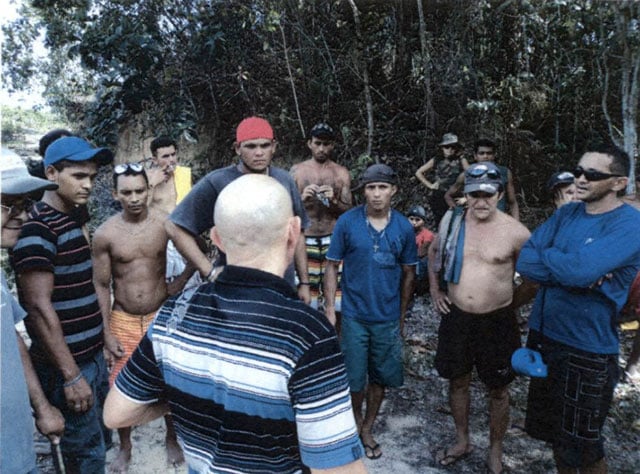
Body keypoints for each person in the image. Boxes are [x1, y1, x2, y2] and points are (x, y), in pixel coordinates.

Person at [103, 174, 366, 474]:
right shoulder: (308, 334)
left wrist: (185, 395)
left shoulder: (174, 314)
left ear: (216, 238)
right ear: (294, 232)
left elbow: (115, 414)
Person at [516, 143, 640, 474]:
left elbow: (578, 271)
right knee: (556, 439)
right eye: (579, 171)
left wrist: (561, 263)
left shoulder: (630, 225)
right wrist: (570, 269)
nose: (580, 179)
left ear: (618, 182)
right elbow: (527, 261)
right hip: (546, 340)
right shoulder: (568, 212)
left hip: (586, 351)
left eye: (592, 174)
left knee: (584, 448)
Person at [12, 136, 118, 473]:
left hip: (89, 359)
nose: (88, 185)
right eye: (78, 176)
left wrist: (100, 341)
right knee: (84, 455)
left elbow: (81, 289)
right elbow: (38, 310)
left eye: (91, 176)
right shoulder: (36, 230)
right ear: (52, 172)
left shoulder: (70, 218)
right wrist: (71, 376)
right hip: (67, 367)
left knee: (98, 441)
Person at [429, 162, 534, 474]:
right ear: (465, 194)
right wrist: (436, 290)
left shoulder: (516, 232)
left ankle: (496, 449)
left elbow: (532, 279)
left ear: (499, 193)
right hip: (457, 317)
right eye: (474, 194)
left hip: (497, 322)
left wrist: (508, 305)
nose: (481, 201)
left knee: (499, 388)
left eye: (488, 194)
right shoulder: (452, 221)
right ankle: (463, 440)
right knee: (457, 381)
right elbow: (433, 252)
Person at [92, 164, 195, 473]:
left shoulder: (165, 224)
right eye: (127, 192)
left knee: (169, 379)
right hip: (123, 317)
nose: (134, 198)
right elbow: (101, 283)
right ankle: (125, 446)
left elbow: (196, 251)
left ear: (149, 191)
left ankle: (172, 438)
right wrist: (106, 331)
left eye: (140, 191)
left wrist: (177, 284)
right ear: (115, 194)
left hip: (160, 313)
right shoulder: (105, 233)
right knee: (121, 383)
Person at [324, 163, 418, 460]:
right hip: (353, 315)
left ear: (394, 191)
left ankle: (367, 427)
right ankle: (351, 426)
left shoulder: (403, 227)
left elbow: (409, 274)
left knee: (380, 377)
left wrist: (401, 317)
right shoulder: (348, 223)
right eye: (370, 188)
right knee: (354, 379)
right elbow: (330, 265)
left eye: (382, 188)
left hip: (386, 318)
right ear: (362, 191)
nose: (376, 194)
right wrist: (329, 307)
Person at [165, 116, 311, 301]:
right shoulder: (218, 181)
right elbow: (174, 226)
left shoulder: (284, 180)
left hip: (281, 288)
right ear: (237, 148)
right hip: (234, 293)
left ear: (274, 147)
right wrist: (208, 271)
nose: (259, 153)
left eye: (264, 146)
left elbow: (298, 233)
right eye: (251, 146)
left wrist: (304, 283)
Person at [1, 150, 65, 474]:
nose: (24, 216)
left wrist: (41, 406)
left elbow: (9, 336)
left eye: (25, 205)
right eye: (9, 204)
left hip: (16, 449)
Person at [290, 122, 352, 318]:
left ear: (333, 145)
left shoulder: (340, 173)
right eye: (317, 143)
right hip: (305, 238)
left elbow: (348, 210)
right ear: (309, 144)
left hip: (332, 236)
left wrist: (333, 200)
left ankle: (335, 340)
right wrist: (301, 199)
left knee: (335, 296)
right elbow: (284, 210)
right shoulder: (297, 171)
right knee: (306, 294)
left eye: (326, 144)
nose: (322, 149)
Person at [444, 138, 519, 220]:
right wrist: (458, 212)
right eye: (481, 153)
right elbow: (448, 196)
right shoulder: (467, 174)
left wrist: (516, 224)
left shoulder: (504, 172)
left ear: (494, 155)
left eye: (489, 153)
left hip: (498, 222)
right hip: (474, 223)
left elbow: (512, 202)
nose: (485, 156)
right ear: (475, 156)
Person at [415, 133, 469, 226]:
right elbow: (419, 173)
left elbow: (471, 175)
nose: (450, 150)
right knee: (440, 223)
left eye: (453, 147)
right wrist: (430, 185)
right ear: (442, 148)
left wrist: (467, 196)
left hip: (455, 195)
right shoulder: (437, 159)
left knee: (456, 223)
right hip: (439, 195)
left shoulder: (461, 160)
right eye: (447, 147)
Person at [406, 205, 434, 295]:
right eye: (411, 219)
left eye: (417, 220)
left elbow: (421, 252)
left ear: (423, 221)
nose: (414, 222)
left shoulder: (427, 235)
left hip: (419, 262)